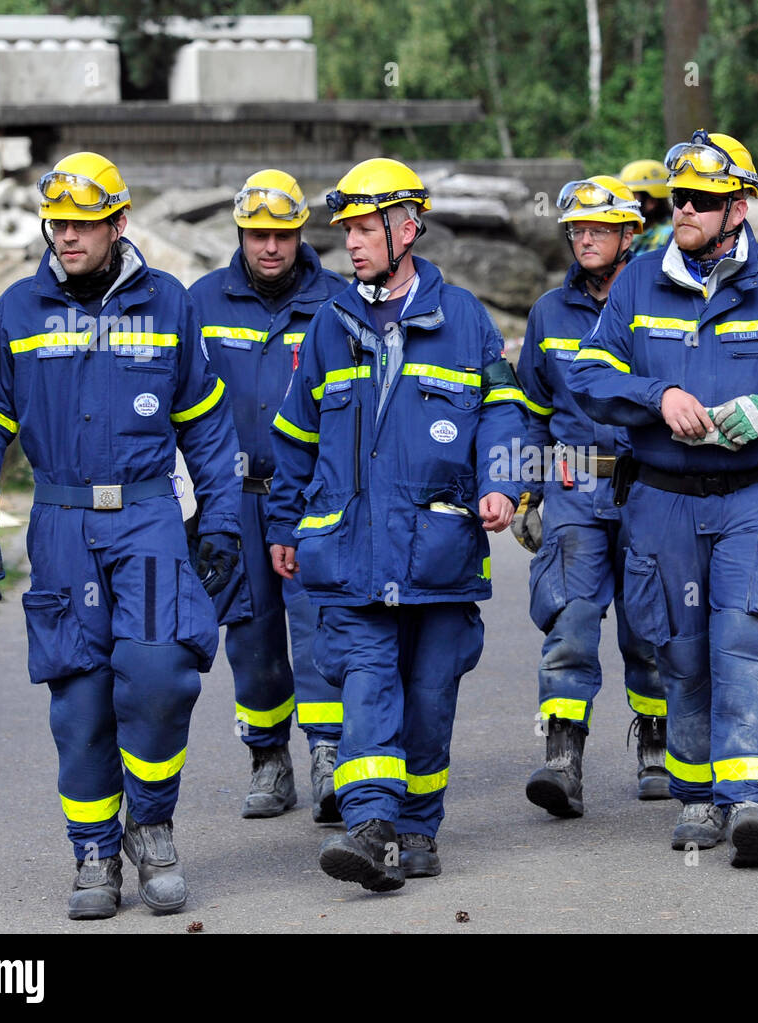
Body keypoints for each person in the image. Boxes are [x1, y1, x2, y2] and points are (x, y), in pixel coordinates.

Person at [0, 151, 242, 919]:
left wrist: (223, 524)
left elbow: (207, 426)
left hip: (146, 517)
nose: (67, 235)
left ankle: (151, 824)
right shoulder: (19, 310)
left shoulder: (170, 304)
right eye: (59, 223)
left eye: (84, 222)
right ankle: (94, 851)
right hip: (62, 524)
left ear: (118, 223)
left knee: (157, 674)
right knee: (78, 698)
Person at [569, 130, 758, 868]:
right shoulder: (637, 284)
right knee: (681, 649)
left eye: (701, 199)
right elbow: (589, 373)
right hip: (663, 498)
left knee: (751, 640)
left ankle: (753, 797)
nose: (685, 210)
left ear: (739, 205)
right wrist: (656, 393)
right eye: (678, 199)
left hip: (757, 493)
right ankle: (698, 796)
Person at [266, 157, 528, 891]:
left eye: (363, 228)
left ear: (406, 228)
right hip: (349, 556)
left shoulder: (467, 320)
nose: (350, 243)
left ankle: (418, 827)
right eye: (345, 229)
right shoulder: (327, 327)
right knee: (367, 683)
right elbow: (295, 435)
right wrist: (286, 525)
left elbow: (505, 413)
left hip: (438, 555)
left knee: (430, 694)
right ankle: (370, 823)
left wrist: (504, 483)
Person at [189, 170, 349, 822]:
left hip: (312, 496)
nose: (271, 248)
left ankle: (329, 754)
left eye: (282, 235)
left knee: (319, 628)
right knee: (250, 638)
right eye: (258, 235)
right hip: (234, 498)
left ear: (300, 233)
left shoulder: (337, 302)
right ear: (240, 234)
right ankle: (267, 756)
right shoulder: (201, 302)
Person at [512, 175, 669, 817]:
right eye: (576, 230)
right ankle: (563, 759)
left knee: (650, 625)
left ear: (630, 234)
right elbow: (527, 408)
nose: (584, 240)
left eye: (598, 229)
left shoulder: (663, 301)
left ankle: (658, 748)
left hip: (651, 483)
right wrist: (525, 492)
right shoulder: (550, 312)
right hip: (574, 483)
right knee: (570, 621)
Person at [619, 159, 673, 255]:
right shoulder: (635, 231)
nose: (625, 202)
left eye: (632, 196)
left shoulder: (670, 235)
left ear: (651, 202)